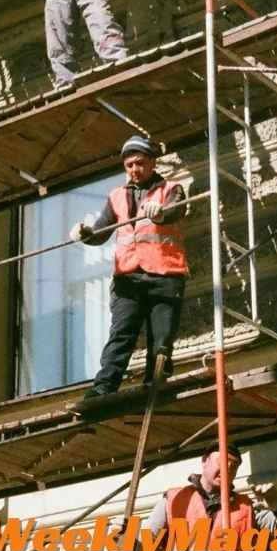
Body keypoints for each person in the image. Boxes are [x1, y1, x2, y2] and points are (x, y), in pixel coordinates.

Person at [69, 135, 188, 398]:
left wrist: (161, 212)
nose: (135, 169)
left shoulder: (171, 189)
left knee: (161, 339)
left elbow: (176, 210)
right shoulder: (116, 196)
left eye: (140, 163)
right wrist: (85, 233)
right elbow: (102, 230)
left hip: (165, 275)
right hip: (128, 277)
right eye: (129, 165)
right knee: (121, 335)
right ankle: (103, 388)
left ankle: (155, 385)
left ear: (153, 162)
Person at [146, 442, 277, 551]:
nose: (227, 469)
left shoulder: (245, 507)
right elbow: (144, 541)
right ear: (204, 461)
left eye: (233, 467)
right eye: (222, 462)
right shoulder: (174, 500)